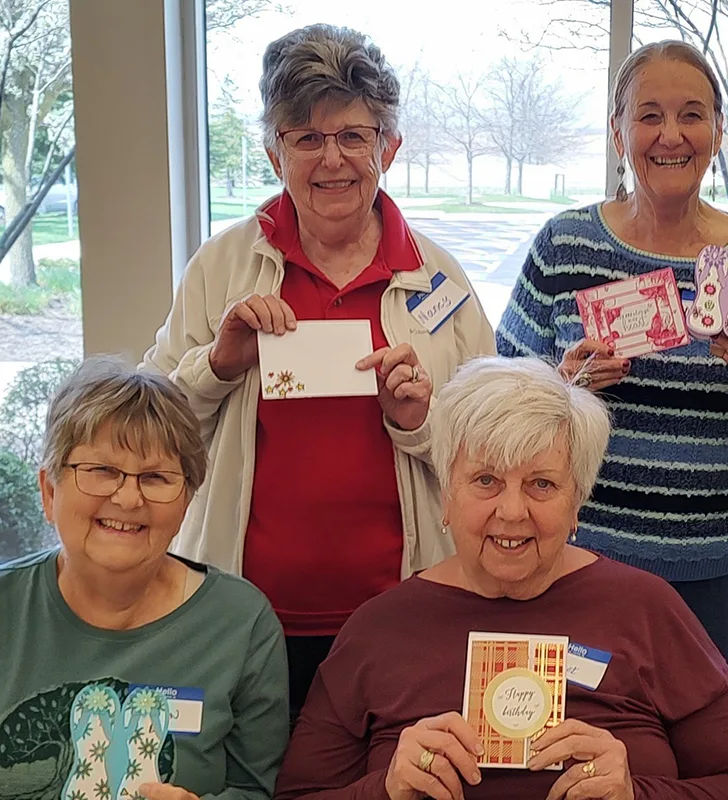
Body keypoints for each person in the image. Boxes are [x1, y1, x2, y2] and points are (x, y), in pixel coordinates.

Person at [143, 24, 494, 715]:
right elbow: (147, 431)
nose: (332, 158)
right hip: (242, 613)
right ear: (275, 153)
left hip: (403, 612)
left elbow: (489, 448)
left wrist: (421, 422)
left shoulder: (439, 278)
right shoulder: (221, 268)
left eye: (353, 135)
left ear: (388, 147)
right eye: (306, 137)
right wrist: (218, 364)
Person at [274, 357, 728, 800]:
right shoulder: (378, 629)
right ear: (447, 496)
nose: (512, 512)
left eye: (542, 484)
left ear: (577, 501)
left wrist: (636, 791)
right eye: (486, 480)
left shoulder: (646, 608)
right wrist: (384, 789)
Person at [495, 40, 728, 686]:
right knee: (584, 738)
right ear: (617, 132)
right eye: (648, 115)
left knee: (698, 746)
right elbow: (495, 413)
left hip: (721, 570)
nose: (670, 135)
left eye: (691, 115)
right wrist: (562, 389)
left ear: (718, 133)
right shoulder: (565, 248)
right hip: (583, 560)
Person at [0, 359, 288, 799]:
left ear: (186, 501)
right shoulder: (0, 608)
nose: (128, 498)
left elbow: (260, 790)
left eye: (155, 477)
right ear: (49, 492)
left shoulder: (241, 625)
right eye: (101, 471)